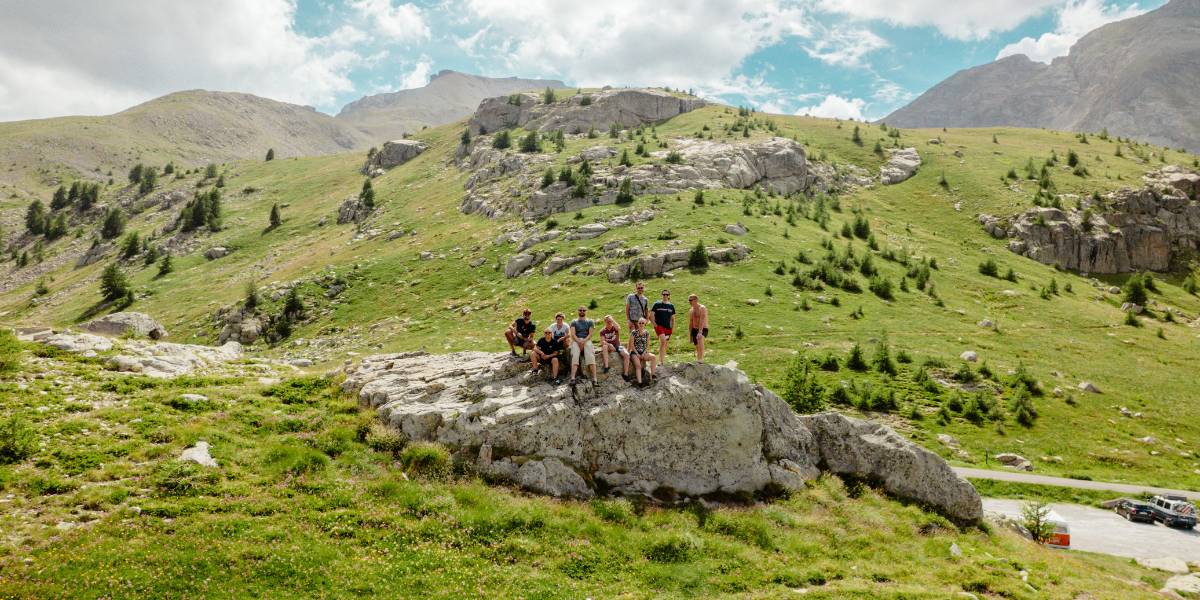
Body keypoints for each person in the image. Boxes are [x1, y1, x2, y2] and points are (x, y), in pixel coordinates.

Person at [568, 306, 597, 385]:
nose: (582, 312)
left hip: (586, 340)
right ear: (578, 311)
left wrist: (583, 342)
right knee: (575, 356)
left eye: (584, 310)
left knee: (591, 356)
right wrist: (579, 342)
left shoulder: (590, 321)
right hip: (576, 340)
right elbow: (573, 334)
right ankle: (573, 378)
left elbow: (590, 334)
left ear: (586, 312)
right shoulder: (574, 321)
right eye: (580, 310)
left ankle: (595, 379)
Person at [628, 317, 657, 387]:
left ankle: (653, 374)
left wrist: (643, 353)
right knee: (638, 365)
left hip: (643, 352)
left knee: (653, 357)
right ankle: (640, 383)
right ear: (637, 323)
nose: (641, 324)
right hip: (634, 352)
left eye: (642, 323)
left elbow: (647, 345)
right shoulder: (634, 332)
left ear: (645, 324)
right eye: (640, 323)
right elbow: (631, 344)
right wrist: (637, 353)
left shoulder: (647, 333)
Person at [650, 289, 675, 366]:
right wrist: (655, 325)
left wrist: (672, 328)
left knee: (665, 345)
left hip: (668, 328)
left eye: (667, 295)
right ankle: (660, 361)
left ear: (669, 296)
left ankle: (662, 361)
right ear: (661, 295)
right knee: (663, 341)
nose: (665, 296)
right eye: (664, 294)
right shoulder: (657, 304)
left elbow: (673, 318)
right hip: (659, 326)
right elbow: (650, 316)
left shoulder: (671, 306)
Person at [687, 294, 708, 364]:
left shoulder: (702, 308)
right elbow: (690, 324)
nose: (689, 302)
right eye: (689, 300)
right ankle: (698, 360)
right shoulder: (691, 311)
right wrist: (690, 336)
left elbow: (702, 320)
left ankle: (701, 359)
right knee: (696, 346)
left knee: (700, 338)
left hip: (703, 328)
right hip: (694, 329)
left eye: (691, 300)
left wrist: (700, 332)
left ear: (695, 300)